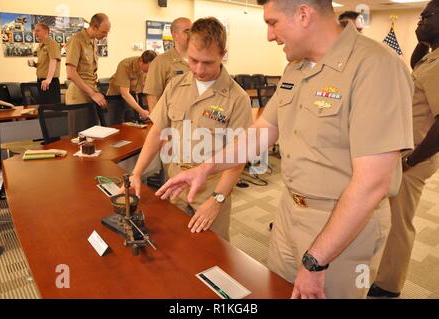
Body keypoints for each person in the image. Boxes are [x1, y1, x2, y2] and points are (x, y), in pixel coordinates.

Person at [155, 0, 414, 298]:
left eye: (273, 22)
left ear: (304, 14)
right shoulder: (295, 68)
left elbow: (373, 182)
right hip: (288, 213)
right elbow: (261, 132)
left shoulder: (375, 66)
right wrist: (207, 168)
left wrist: (316, 260)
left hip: (343, 230)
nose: (270, 35)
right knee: (276, 292)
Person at [128, 17, 252, 241]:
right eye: (193, 60)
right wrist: (136, 173)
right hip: (175, 185)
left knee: (211, 254)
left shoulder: (237, 98)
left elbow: (238, 157)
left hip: (211, 190)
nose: (199, 69)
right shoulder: (176, 86)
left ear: (223, 54)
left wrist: (217, 201)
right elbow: (157, 131)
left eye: (207, 62)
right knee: (174, 247)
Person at [369, 0, 439, 298]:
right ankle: (383, 273)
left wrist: (411, 160)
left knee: (399, 223)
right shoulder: (431, 58)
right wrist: (425, 40)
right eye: (420, 15)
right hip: (405, 154)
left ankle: (388, 287)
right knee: (391, 217)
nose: (420, 20)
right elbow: (414, 66)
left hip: (415, 157)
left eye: (427, 15)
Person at [143, 17, 192, 112]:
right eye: (187, 31)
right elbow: (152, 97)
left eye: (193, 31)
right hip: (172, 121)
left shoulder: (199, 60)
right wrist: (157, 124)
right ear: (174, 35)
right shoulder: (161, 61)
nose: (191, 34)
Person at [65, 13, 111, 107]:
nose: (105, 35)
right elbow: (71, 73)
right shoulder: (76, 40)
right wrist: (92, 94)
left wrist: (94, 93)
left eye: (107, 32)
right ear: (94, 27)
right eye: (104, 32)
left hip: (91, 93)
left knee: (95, 122)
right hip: (78, 96)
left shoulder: (93, 41)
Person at [106, 50, 157, 120]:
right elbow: (124, 93)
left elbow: (149, 91)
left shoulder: (152, 66)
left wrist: (152, 110)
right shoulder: (125, 65)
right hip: (116, 97)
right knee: (115, 123)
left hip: (132, 94)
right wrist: (142, 111)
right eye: (148, 69)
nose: (150, 71)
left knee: (133, 120)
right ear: (141, 62)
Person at [27, 23, 61, 104]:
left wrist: (48, 79)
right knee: (44, 107)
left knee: (52, 110)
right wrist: (34, 64)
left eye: (38, 31)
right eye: (35, 31)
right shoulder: (40, 46)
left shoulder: (52, 44)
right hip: (41, 81)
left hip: (50, 82)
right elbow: (45, 64)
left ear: (46, 32)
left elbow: (53, 61)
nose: (35, 33)